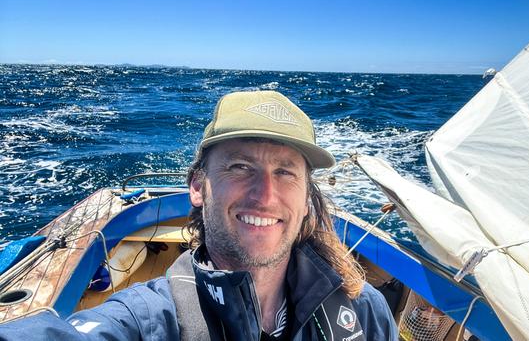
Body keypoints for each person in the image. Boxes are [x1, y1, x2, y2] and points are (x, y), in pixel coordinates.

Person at [0, 91, 398, 340]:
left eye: (285, 172)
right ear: (197, 186)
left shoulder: (364, 309)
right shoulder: (149, 319)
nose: (265, 195)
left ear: (307, 196)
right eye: (240, 167)